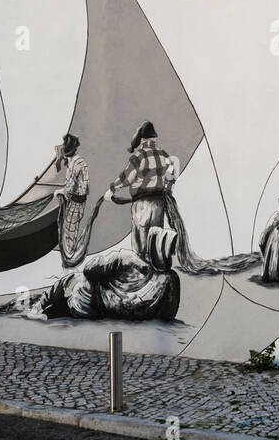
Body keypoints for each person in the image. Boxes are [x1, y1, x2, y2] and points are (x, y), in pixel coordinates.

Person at [22, 227, 180, 322]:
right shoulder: (171, 280)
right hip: (95, 311)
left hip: (88, 301)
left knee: (73, 281)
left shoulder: (126, 259)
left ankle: (38, 307)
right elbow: (168, 315)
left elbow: (89, 269)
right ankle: (41, 308)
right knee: (70, 291)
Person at [107, 121, 175, 268]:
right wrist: (167, 188)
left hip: (142, 205)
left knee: (140, 246)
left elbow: (126, 177)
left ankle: (142, 276)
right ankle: (156, 274)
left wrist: (112, 189)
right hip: (159, 203)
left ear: (142, 139)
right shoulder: (164, 155)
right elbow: (172, 173)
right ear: (154, 138)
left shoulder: (138, 156)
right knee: (155, 241)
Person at [53, 133, 89, 268]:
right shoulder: (78, 160)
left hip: (75, 203)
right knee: (72, 232)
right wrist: (59, 160)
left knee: (69, 233)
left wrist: (58, 192)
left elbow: (69, 189)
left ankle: (69, 264)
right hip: (80, 202)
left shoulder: (74, 165)